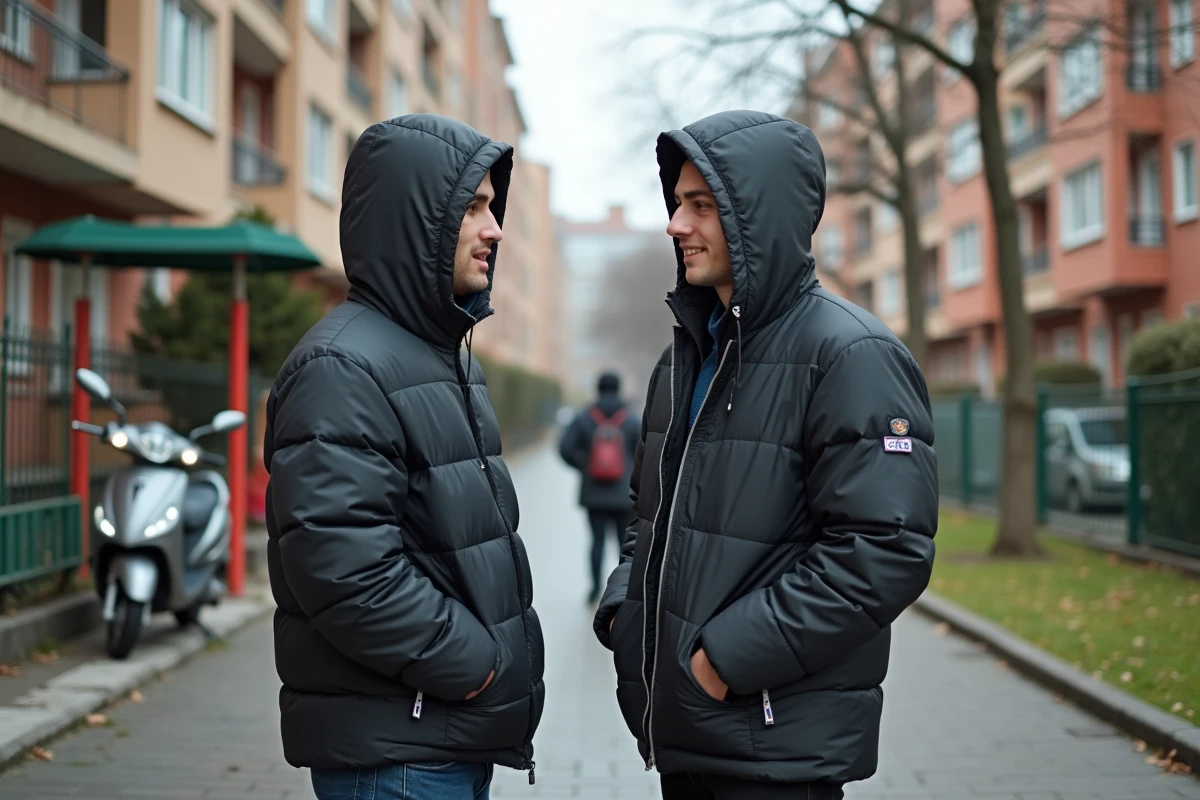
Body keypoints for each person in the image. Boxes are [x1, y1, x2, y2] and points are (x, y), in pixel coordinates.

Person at [593, 110, 938, 800]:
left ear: (757, 215)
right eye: (676, 204)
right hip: (688, 737)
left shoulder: (850, 355)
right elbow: (647, 516)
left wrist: (724, 659)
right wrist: (625, 610)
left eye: (700, 206)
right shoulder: (685, 360)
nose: (675, 225)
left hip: (774, 746)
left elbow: (884, 549)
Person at [263, 114, 545, 799]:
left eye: (492, 207)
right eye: (473, 208)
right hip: (398, 753)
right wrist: (474, 666)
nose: (495, 230)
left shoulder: (441, 358)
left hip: (438, 734)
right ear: (415, 221)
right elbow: (341, 566)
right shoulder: (343, 366)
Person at [558, 371, 641, 604]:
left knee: (596, 542)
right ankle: (620, 592)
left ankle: (594, 589)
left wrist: (585, 466)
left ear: (598, 389)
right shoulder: (631, 419)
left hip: (594, 494)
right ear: (618, 389)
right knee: (624, 545)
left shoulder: (584, 417)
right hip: (624, 494)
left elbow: (564, 448)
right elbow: (645, 453)